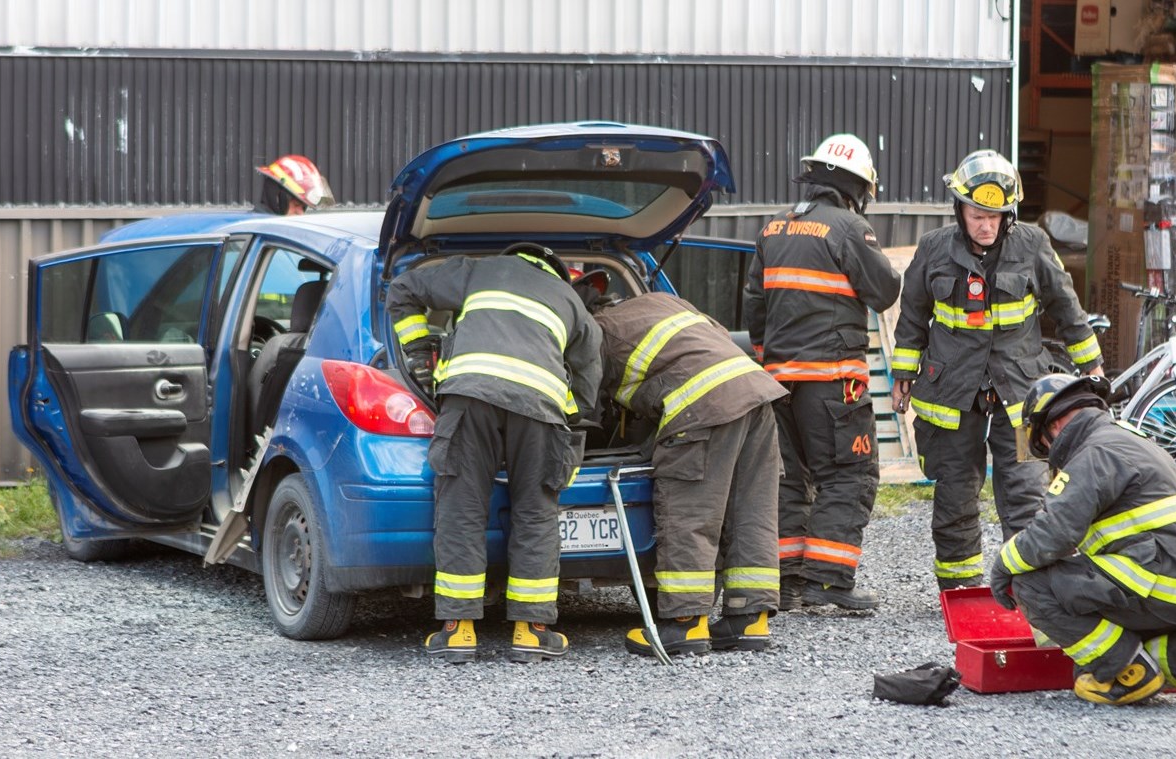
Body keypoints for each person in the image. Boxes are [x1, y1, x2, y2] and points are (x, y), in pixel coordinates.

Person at [890, 149, 1103, 591]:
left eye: (995, 215)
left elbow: (1067, 308)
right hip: (951, 392)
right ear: (960, 210)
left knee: (1027, 491)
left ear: (1009, 214)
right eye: (976, 214)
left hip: (1022, 395)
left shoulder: (1032, 245)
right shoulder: (934, 249)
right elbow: (912, 315)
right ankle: (961, 591)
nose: (985, 225)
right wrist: (903, 378)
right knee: (954, 494)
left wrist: (1093, 368)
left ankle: (1027, 589)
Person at [386, 243, 602, 664]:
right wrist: (569, 422)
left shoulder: (478, 270)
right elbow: (589, 388)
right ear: (558, 272)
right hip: (540, 411)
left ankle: (459, 631)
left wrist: (418, 354)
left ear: (515, 258)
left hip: (469, 396)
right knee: (536, 512)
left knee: (461, 508)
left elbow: (403, 289)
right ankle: (531, 631)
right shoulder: (572, 301)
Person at [991, 373, 1176, 707]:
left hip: (1153, 583)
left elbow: (1053, 534)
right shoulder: (1129, 439)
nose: (1048, 453)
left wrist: (1003, 564)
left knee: (1031, 583)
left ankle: (1127, 672)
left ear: (1054, 425)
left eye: (1042, 443)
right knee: (1119, 636)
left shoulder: (1092, 454)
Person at [573, 274, 787, 656]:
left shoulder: (596, 333)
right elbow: (717, 335)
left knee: (690, 512)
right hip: (755, 396)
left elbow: (586, 404)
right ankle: (749, 619)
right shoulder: (662, 301)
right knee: (751, 511)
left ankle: (685, 625)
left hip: (701, 408)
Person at [743, 133, 902, 611]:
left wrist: (767, 355)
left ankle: (788, 583)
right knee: (849, 475)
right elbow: (884, 291)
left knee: (789, 478)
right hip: (833, 382)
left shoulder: (773, 229)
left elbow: (754, 303)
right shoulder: (850, 228)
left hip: (778, 381)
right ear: (858, 186)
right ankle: (830, 580)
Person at [254, 154, 335, 215]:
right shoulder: (257, 229)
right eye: (296, 205)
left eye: (303, 208)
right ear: (277, 200)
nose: (301, 213)